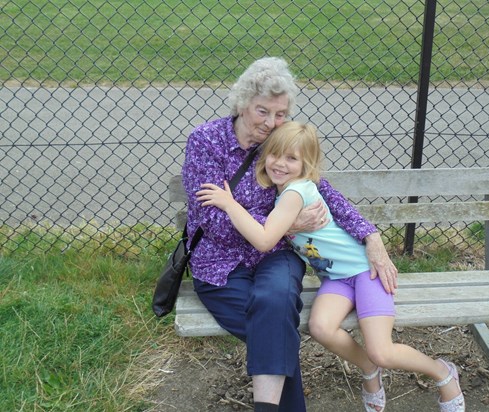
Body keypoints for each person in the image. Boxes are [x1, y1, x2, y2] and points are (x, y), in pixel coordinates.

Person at [197, 121, 465, 412]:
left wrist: (229, 204)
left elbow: (264, 240)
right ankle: (369, 369)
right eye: (275, 154)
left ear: (306, 163)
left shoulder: (294, 193)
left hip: (365, 273)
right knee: (321, 328)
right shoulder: (282, 191)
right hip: (335, 279)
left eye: (292, 158)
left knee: (382, 350)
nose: (280, 164)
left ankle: (442, 372)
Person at [183, 57, 397, 412]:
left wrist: (371, 237)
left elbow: (326, 193)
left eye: (280, 113)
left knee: (273, 303)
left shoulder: (279, 143)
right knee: (275, 330)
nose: (270, 123)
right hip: (218, 264)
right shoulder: (206, 142)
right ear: (242, 104)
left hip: (276, 256)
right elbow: (213, 222)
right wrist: (288, 226)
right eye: (262, 111)